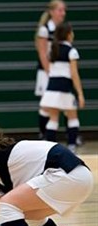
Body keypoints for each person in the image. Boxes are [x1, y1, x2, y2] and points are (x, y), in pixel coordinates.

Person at [40, 22, 84, 153]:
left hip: (52, 89)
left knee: (53, 118)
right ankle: (71, 146)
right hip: (65, 89)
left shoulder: (52, 49)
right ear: (69, 34)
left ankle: (49, 149)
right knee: (72, 117)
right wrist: (80, 94)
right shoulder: (72, 51)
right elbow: (74, 74)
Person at [35, 0, 66, 138]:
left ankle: (54, 135)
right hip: (46, 72)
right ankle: (43, 134)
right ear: (52, 12)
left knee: (60, 104)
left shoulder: (64, 29)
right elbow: (42, 52)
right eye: (60, 10)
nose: (63, 13)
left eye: (64, 10)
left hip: (59, 71)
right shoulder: (45, 29)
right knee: (46, 105)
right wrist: (49, 71)